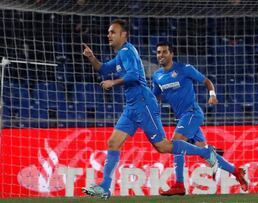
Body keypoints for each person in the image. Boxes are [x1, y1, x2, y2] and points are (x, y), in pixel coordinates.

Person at [81, 19, 219, 199]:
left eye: (113, 32)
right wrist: (91, 57)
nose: (109, 35)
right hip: (131, 106)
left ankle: (206, 152)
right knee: (113, 143)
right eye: (108, 32)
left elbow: (133, 75)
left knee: (163, 146)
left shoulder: (127, 51)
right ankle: (105, 188)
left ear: (124, 35)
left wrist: (113, 82)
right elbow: (103, 69)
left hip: (143, 102)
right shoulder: (120, 56)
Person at [152, 42, 248, 196]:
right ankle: (237, 172)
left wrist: (212, 95)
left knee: (176, 144)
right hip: (182, 117)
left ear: (171, 54)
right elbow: (155, 95)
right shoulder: (157, 76)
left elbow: (206, 81)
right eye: (158, 52)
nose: (161, 55)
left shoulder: (185, 69)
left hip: (192, 113)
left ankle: (179, 184)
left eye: (164, 52)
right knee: (203, 151)